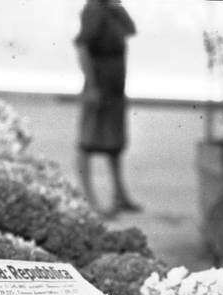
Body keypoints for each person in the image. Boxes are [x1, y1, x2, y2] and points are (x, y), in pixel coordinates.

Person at [75, 0, 140, 217]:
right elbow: (82, 47)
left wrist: (117, 8)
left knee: (114, 143)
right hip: (99, 85)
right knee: (88, 142)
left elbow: (131, 30)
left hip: (115, 87)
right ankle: (89, 199)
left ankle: (119, 194)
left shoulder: (113, 10)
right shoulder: (93, 11)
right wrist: (92, 85)